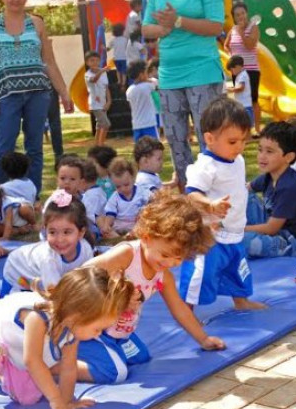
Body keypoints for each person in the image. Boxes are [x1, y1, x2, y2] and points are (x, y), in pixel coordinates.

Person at [0, 267, 135, 409]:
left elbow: (69, 367)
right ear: (77, 315)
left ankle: (0, 370)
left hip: (15, 345)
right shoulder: (37, 317)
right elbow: (32, 361)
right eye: (97, 328)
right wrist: (54, 398)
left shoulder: (72, 329)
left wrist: (66, 401)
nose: (99, 334)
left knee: (28, 398)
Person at [77, 191, 225, 384]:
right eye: (165, 255)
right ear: (147, 237)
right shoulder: (126, 255)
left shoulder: (163, 274)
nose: (171, 262)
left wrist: (203, 339)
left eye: (179, 258)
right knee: (113, 373)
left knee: (141, 358)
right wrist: (115, 289)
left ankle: (104, 351)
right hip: (92, 329)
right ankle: (57, 364)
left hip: (120, 333)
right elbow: (81, 276)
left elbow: (179, 309)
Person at [142, 0, 226, 188]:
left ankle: (215, 197)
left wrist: (178, 21)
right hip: (169, 75)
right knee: (177, 142)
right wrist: (164, 28)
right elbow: (146, 28)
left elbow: (215, 26)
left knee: (208, 138)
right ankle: (188, 198)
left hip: (202, 71)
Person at [0, 0, 73, 193]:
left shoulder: (37, 23)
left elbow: (49, 62)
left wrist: (64, 92)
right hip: (6, 95)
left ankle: (33, 196)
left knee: (35, 148)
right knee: (4, 148)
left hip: (38, 94)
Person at [180, 96, 265, 310]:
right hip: (210, 234)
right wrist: (209, 205)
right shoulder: (206, 166)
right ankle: (187, 309)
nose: (240, 147)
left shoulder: (239, 160)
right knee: (201, 273)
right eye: (233, 142)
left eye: (244, 140)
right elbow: (191, 194)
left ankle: (241, 300)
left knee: (238, 268)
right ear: (209, 138)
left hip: (234, 231)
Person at [0, 192, 94, 304]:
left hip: (40, 276)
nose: (60, 240)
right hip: (18, 269)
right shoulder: (48, 258)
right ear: (45, 230)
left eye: (67, 232)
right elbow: (55, 296)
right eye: (52, 232)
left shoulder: (86, 249)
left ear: (81, 233)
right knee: (6, 307)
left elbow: (87, 280)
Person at [244, 122, 296, 258]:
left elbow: (271, 228)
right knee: (244, 195)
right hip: (278, 230)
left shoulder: (289, 186)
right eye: (260, 150)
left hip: (295, 243)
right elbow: (245, 190)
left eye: (269, 151)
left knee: (242, 241)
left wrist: (236, 230)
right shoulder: (269, 176)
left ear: (289, 157)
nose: (262, 156)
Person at [224, 1, 261, 136]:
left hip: (251, 69)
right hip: (237, 71)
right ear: (234, 16)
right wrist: (231, 56)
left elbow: (250, 45)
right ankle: (244, 129)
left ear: (247, 14)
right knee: (240, 99)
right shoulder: (232, 30)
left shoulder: (253, 27)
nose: (241, 17)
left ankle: (256, 129)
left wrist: (241, 32)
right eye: (237, 14)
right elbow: (226, 45)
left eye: (243, 13)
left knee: (253, 99)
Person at [99, 157, 151, 238]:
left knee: (146, 224)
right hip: (120, 224)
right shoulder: (115, 197)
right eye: (118, 187)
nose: (123, 189)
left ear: (133, 178)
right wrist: (107, 225)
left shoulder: (142, 192)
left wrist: (145, 211)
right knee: (103, 222)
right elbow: (110, 214)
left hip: (137, 222)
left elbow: (153, 202)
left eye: (126, 185)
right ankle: (119, 236)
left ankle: (128, 236)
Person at [0, 151, 38, 238]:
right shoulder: (30, 183)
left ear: (4, 170)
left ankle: (17, 230)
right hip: (27, 216)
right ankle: (27, 226)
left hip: (12, 218)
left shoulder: (3, 188)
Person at [126, 61, 159, 142]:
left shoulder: (129, 90)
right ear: (141, 75)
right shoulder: (148, 86)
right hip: (149, 124)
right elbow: (156, 83)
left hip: (136, 125)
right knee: (155, 147)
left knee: (140, 149)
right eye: (146, 72)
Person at [84, 51, 111, 145]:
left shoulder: (103, 73)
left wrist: (109, 102)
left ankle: (96, 145)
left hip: (103, 103)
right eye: (92, 61)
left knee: (99, 125)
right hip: (95, 104)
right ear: (87, 63)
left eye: (96, 60)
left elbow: (106, 88)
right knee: (106, 124)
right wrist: (102, 71)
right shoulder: (87, 74)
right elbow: (94, 80)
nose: (95, 62)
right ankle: (101, 145)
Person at [80, 160, 107, 240]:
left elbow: (92, 217)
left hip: (96, 227)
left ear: (83, 181)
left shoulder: (91, 196)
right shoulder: (98, 191)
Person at [226, 55, 254, 129]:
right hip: (242, 105)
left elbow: (241, 88)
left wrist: (230, 90)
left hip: (245, 105)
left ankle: (248, 138)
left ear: (238, 66)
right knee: (242, 125)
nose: (232, 72)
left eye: (232, 70)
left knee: (246, 126)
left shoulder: (243, 75)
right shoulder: (240, 75)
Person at [107, 23, 129, 88]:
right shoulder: (126, 39)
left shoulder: (113, 40)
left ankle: (119, 81)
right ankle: (124, 82)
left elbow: (108, 48)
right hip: (124, 58)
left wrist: (103, 48)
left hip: (116, 58)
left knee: (118, 70)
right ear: (123, 31)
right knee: (124, 71)